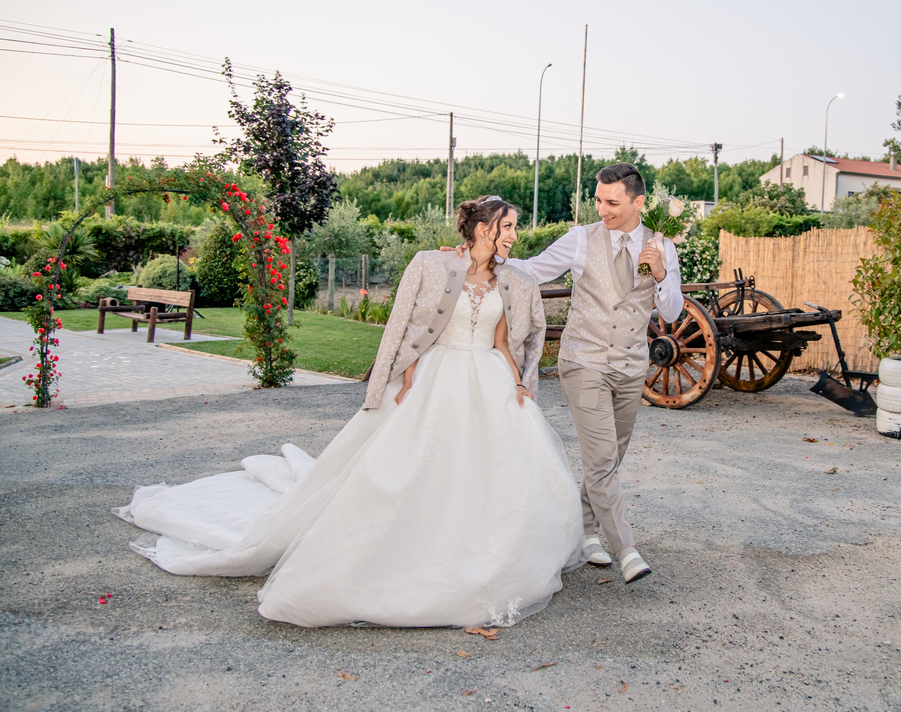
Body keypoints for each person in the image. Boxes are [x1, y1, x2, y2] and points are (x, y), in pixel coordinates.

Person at [114, 196, 584, 628]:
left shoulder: (509, 279)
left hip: (489, 378)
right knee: (412, 465)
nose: (514, 235)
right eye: (509, 226)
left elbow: (503, 342)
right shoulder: (431, 264)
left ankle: (483, 549)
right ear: (483, 228)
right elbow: (408, 326)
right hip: (438, 376)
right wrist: (405, 378)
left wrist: (519, 383)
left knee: (494, 470)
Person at [462, 163, 684, 584]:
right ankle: (627, 549)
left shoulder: (662, 246)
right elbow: (533, 269)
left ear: (638, 202)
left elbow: (672, 312)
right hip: (584, 361)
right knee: (601, 458)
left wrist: (659, 272)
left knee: (609, 459)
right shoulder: (581, 239)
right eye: (598, 200)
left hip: (631, 367)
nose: (602, 209)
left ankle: (583, 530)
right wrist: (478, 255)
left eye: (612, 202)